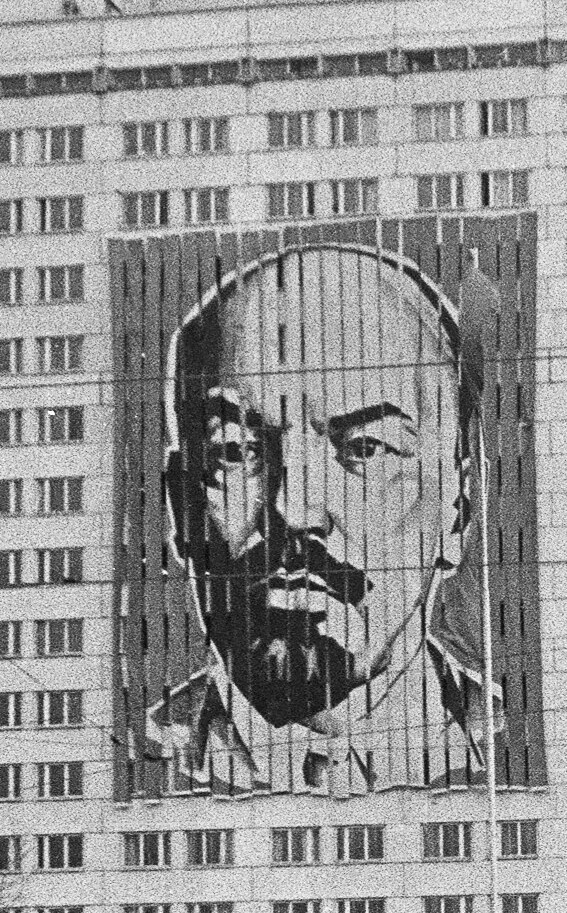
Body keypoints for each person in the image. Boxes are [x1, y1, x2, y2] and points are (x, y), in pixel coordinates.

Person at [147, 241, 496, 794]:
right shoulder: (144, 753)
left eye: (365, 449)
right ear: (181, 506)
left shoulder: (509, 748)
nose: (295, 511)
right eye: (236, 451)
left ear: (458, 512)